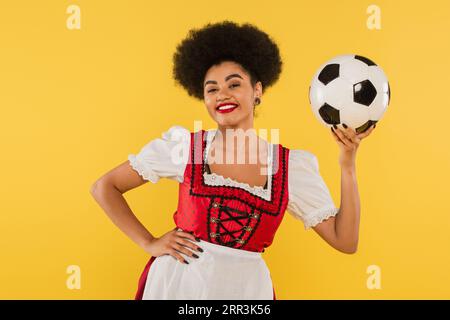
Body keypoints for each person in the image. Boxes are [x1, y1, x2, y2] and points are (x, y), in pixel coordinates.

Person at [90, 20, 375, 300]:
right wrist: (149, 242)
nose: (222, 95)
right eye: (211, 89)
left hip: (246, 292)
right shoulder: (184, 148)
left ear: (257, 90)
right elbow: (104, 187)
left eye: (234, 84)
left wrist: (347, 164)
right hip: (178, 286)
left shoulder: (290, 168)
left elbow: (345, 240)